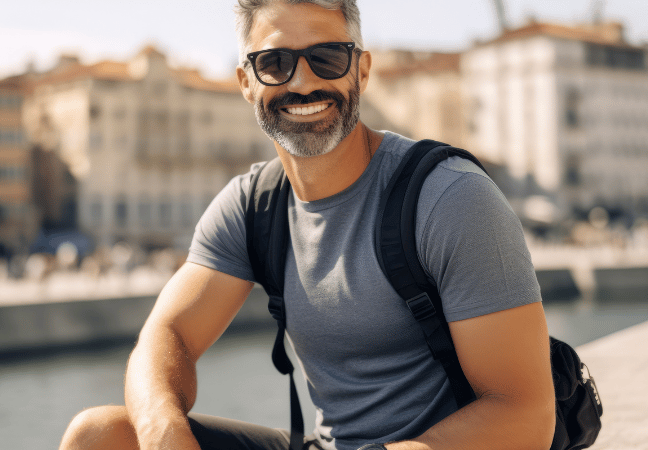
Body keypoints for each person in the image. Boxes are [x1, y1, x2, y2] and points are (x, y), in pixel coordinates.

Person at [58, 1, 555, 449]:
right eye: (275, 63)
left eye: (327, 58)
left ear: (361, 70)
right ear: (246, 82)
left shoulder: (448, 197)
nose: (302, 82)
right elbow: (168, 336)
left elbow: (525, 416)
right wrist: (163, 433)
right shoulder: (254, 206)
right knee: (99, 437)